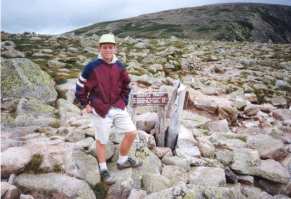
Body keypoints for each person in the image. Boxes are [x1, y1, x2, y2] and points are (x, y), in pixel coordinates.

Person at [74, 33, 142, 185]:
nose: (108, 50)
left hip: (117, 106)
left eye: (110, 47)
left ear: (115, 48)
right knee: (102, 140)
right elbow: (80, 86)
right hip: (100, 108)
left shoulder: (120, 66)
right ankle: (103, 168)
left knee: (131, 133)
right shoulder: (92, 67)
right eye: (105, 47)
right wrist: (85, 104)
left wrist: (123, 101)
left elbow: (127, 85)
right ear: (100, 48)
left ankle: (122, 160)